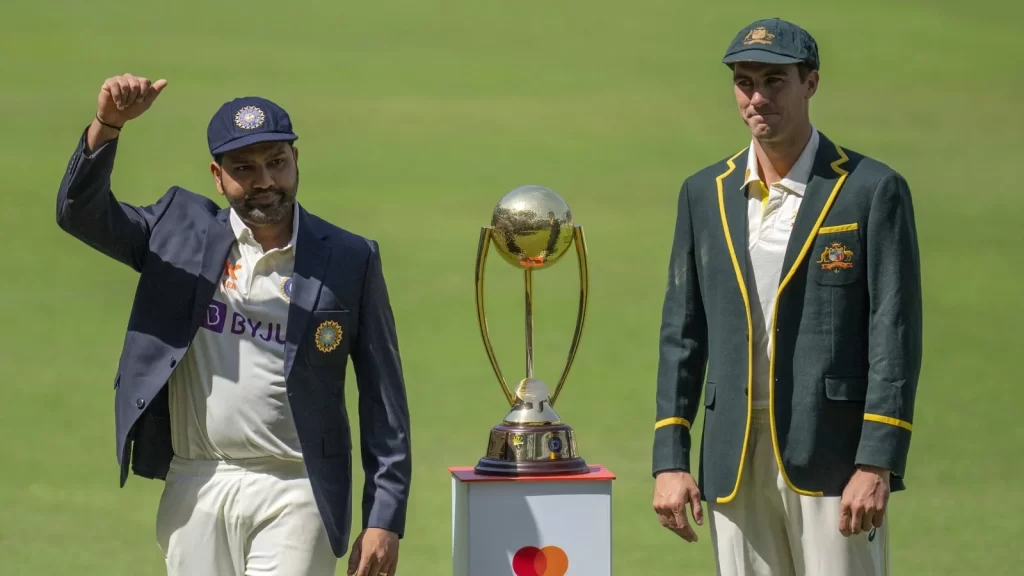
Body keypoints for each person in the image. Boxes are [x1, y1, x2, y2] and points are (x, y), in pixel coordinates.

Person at [55, 73, 413, 576]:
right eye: (244, 167)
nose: (265, 181)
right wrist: (107, 127)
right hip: (197, 482)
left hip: (297, 485)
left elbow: (383, 398)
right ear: (217, 176)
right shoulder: (176, 232)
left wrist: (384, 517)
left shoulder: (349, 258)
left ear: (296, 160)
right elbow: (80, 214)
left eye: (276, 162)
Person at [650, 18, 922, 575]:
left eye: (774, 81)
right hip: (732, 456)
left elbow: (893, 332)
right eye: (745, 82)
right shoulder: (704, 192)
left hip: (833, 457)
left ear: (810, 83)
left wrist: (877, 460)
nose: (757, 98)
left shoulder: (871, 189)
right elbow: (683, 333)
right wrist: (670, 460)